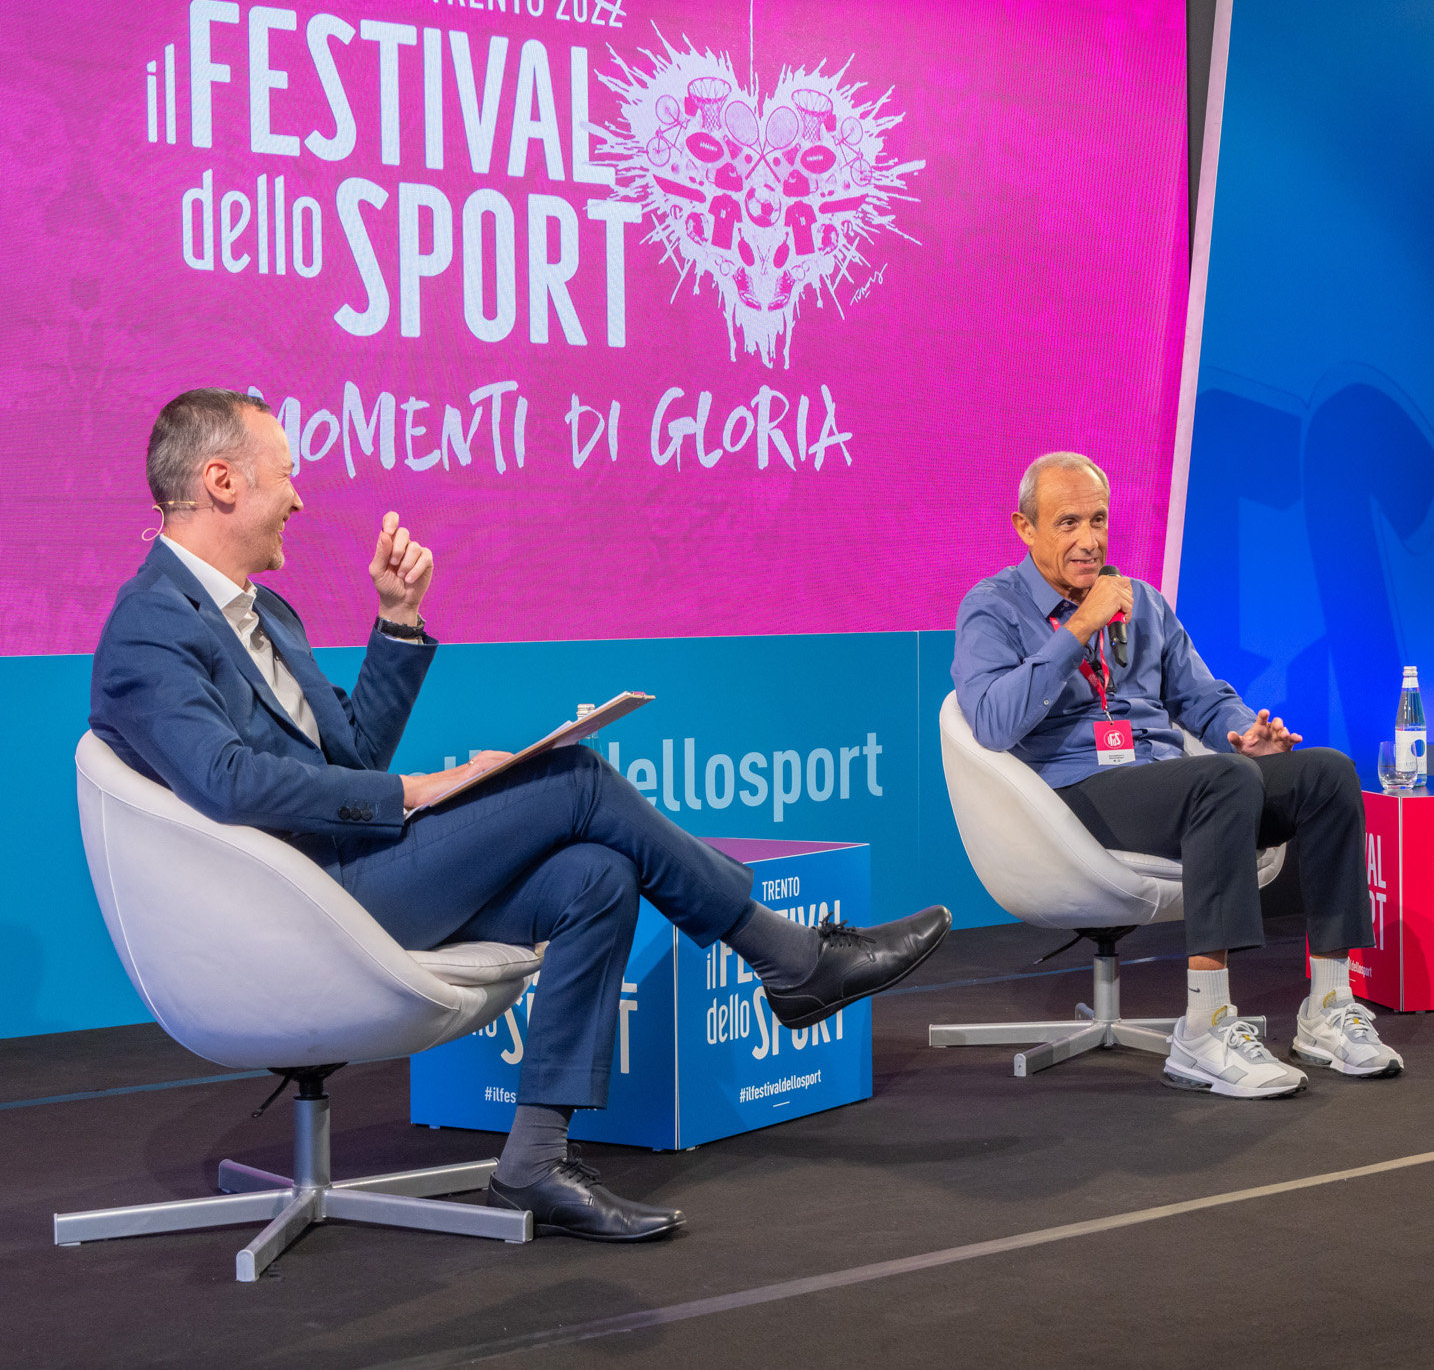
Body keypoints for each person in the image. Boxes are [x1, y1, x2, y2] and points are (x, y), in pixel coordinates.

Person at [91, 389, 951, 1241]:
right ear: (221, 481)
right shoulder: (149, 624)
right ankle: (788, 956)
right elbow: (228, 781)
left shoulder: (267, 612)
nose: (300, 496)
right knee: (575, 776)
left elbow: (351, 759)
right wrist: (423, 790)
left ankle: (534, 1160)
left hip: (351, 875)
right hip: (301, 904)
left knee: (596, 875)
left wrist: (397, 621)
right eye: (287, 474)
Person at [952, 452, 1401, 1099]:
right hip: (1073, 799)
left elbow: (1202, 697)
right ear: (1025, 527)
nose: (1090, 539)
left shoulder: (1145, 604)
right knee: (1223, 782)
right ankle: (1206, 1027)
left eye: (1099, 519)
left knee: (1326, 775)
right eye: (1068, 522)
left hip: (1163, 781)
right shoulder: (992, 608)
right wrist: (1078, 627)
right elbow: (992, 722)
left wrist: (1243, 733)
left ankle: (1329, 1007)